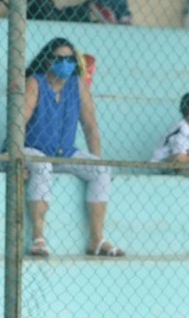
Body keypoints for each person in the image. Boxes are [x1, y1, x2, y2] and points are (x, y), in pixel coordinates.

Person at [23, 37, 124, 258]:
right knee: (42, 167)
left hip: (64, 152)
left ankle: (96, 239)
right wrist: (18, 159)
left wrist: (96, 159)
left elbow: (90, 126)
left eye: (70, 59)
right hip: (31, 149)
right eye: (60, 58)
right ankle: (38, 236)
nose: (66, 63)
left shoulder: (77, 85)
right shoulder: (35, 82)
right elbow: (18, 123)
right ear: (48, 60)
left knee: (102, 170)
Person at [151, 92, 189, 174]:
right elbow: (180, 156)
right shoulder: (180, 130)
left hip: (181, 161)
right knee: (181, 158)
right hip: (160, 163)